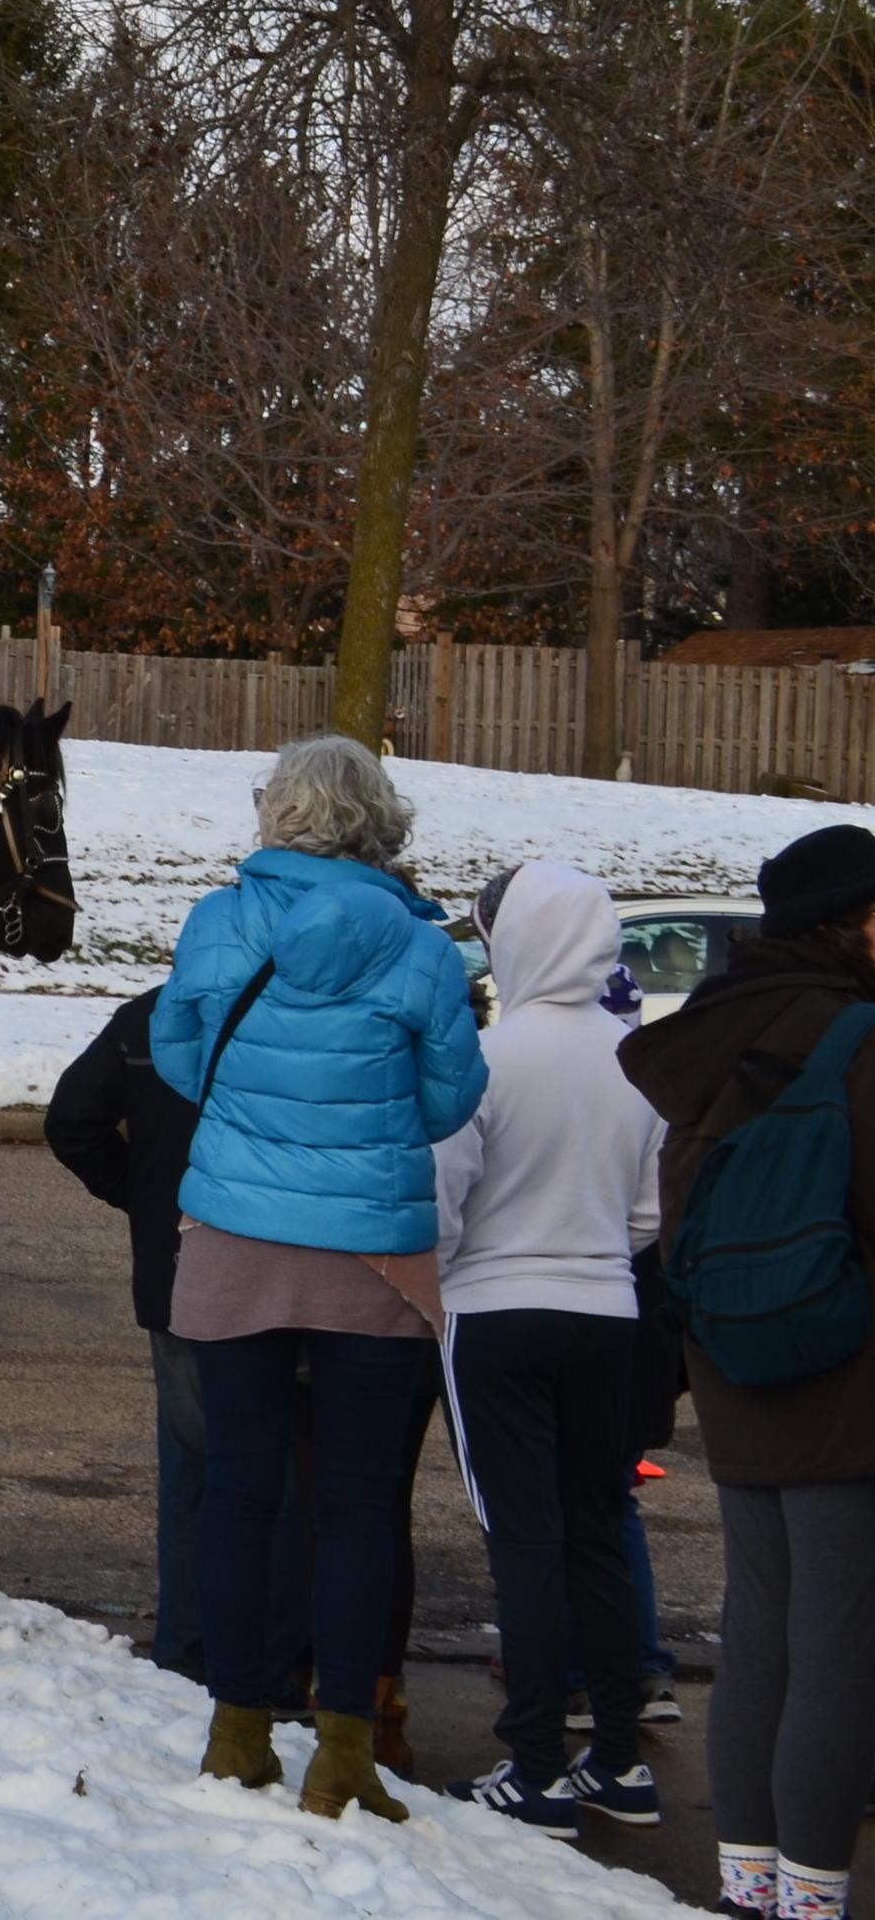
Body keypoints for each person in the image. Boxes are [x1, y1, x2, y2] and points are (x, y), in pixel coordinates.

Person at [152, 733, 486, 1822]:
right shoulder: (423, 947)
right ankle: (344, 1749)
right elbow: (446, 1104)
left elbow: (178, 1057)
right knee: (355, 1505)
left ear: (277, 812)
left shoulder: (218, 921)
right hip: (370, 1248)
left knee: (238, 1491)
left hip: (236, 1233)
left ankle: (235, 1728)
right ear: (379, 818)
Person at [623, 822, 875, 1920]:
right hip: (847, 1371)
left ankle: (752, 1889)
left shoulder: (715, 1028)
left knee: (761, 1626)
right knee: (840, 1643)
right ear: (851, 923)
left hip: (735, 1360)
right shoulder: (858, 1035)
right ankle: (815, 1903)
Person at [432, 860, 666, 1831]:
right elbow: (651, 1212)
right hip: (608, 1314)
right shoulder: (637, 1059)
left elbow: (438, 1204)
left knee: (523, 1538)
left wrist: (464, 1266)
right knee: (598, 1527)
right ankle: (617, 1756)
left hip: (493, 1311)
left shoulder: (485, 1055)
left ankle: (532, 1765)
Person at [46, 986, 311, 1689]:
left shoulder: (154, 1013)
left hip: (178, 1269)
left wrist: (146, 1197)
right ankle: (275, 1665)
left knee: (195, 1470)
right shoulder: (303, 1009)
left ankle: (188, 1649)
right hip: (291, 1270)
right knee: (285, 1472)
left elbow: (72, 1120)